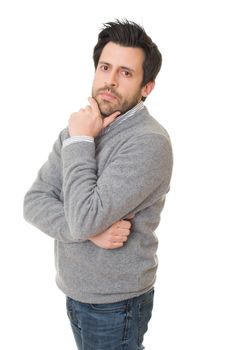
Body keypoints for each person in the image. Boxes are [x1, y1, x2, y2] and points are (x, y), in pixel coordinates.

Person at [23, 19, 173, 350]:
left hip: (116, 304)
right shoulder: (82, 127)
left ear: (146, 87)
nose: (110, 81)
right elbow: (34, 202)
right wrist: (90, 232)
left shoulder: (147, 142)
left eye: (126, 73)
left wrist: (80, 141)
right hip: (76, 292)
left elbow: (84, 216)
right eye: (105, 67)